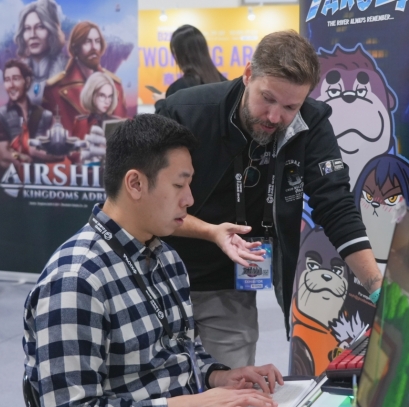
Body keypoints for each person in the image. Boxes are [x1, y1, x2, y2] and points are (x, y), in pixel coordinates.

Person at [23, 114, 283, 407]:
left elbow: (182, 352)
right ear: (135, 184)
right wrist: (192, 405)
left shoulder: (166, 257)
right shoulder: (75, 280)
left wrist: (219, 376)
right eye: (179, 185)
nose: (189, 199)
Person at [156, 30, 384, 369]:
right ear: (249, 74)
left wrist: (376, 287)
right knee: (163, 379)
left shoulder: (310, 123)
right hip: (163, 275)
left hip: (230, 285)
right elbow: (151, 205)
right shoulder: (185, 112)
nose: (275, 117)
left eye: (290, 106)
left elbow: (336, 206)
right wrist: (211, 232)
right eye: (267, 99)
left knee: (233, 383)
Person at [43, 21, 126, 130]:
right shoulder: (53, 90)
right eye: (87, 42)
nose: (94, 47)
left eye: (97, 41)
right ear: (75, 48)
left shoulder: (115, 85)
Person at [0, 60, 54, 169]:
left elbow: (58, 153)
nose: (11, 85)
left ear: (27, 81)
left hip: (44, 177)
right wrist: (18, 155)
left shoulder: (45, 115)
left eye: (16, 79)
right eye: (7, 80)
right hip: (11, 178)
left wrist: (30, 150)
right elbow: (3, 158)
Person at [152, 25, 226, 105]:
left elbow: (170, 113)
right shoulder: (226, 84)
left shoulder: (178, 89)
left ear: (178, 54)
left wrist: (161, 102)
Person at [14, 0, 67, 105]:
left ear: (51, 30)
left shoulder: (67, 68)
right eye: (27, 28)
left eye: (40, 27)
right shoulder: (17, 72)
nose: (32, 35)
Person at [72, 71, 119, 140]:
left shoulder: (116, 123)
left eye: (110, 96)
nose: (107, 101)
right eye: (102, 95)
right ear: (91, 95)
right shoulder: (80, 123)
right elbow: (75, 146)